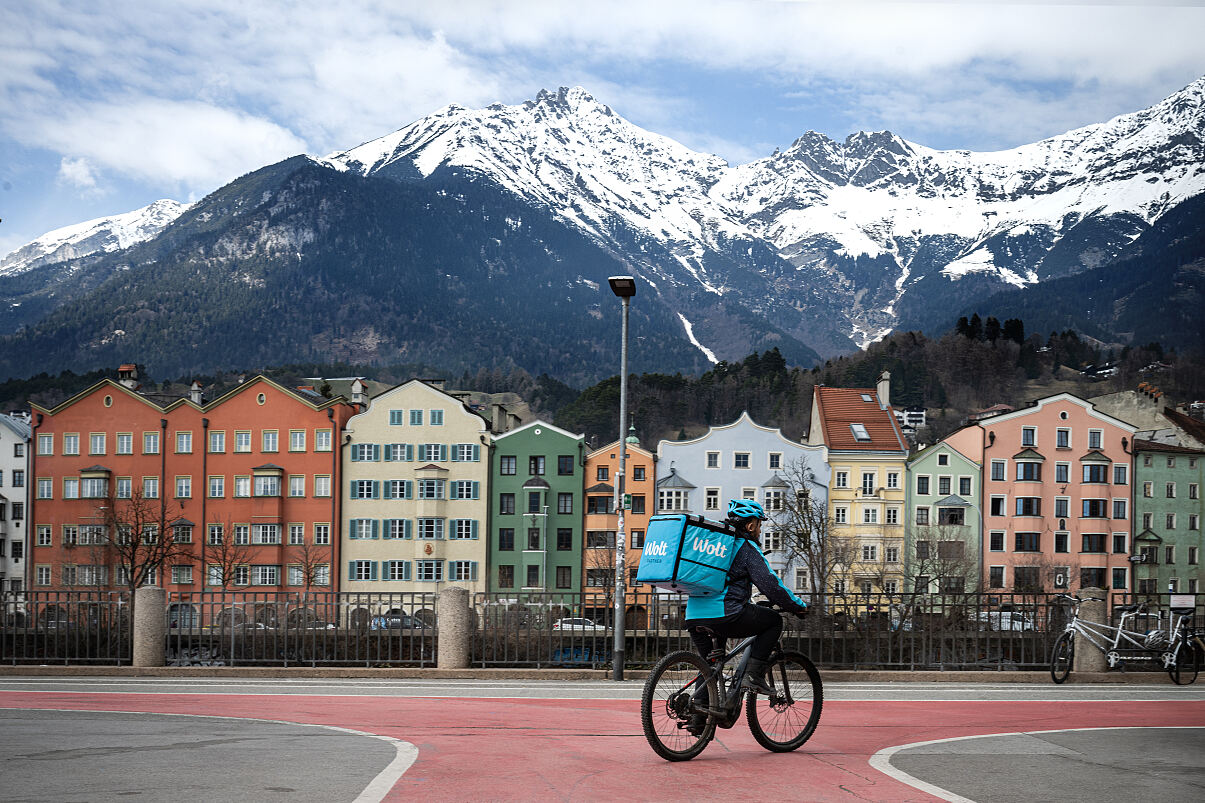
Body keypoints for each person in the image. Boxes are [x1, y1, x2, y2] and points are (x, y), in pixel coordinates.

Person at [684, 499, 808, 697]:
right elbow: (770, 584)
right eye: (759, 525)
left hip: (693, 614)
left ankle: (698, 714)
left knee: (709, 664)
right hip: (724, 614)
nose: (760, 531)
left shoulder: (713, 543)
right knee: (774, 621)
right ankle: (753, 676)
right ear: (751, 525)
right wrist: (798, 606)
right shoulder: (746, 547)